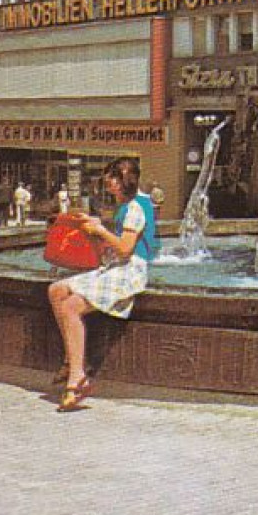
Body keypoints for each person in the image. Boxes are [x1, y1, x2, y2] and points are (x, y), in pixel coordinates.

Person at [46, 158, 160, 412]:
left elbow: (126, 249)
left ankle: (78, 377)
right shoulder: (129, 205)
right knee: (56, 290)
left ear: (124, 181)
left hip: (130, 272)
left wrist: (99, 230)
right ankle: (70, 360)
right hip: (120, 266)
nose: (108, 184)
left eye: (113, 179)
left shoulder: (136, 208)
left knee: (71, 307)